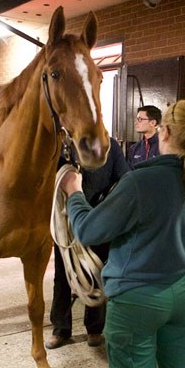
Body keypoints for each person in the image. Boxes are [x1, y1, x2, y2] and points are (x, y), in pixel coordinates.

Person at [58, 99, 185, 368]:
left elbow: (89, 230)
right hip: (184, 294)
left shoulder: (141, 182)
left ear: (167, 131)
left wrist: (74, 193)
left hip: (137, 300)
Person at [47, 137, 130, 349]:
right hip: (66, 221)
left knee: (97, 272)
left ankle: (94, 329)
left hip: (97, 216)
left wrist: (108, 205)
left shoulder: (109, 147)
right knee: (63, 275)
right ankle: (60, 328)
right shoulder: (61, 148)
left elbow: (124, 177)